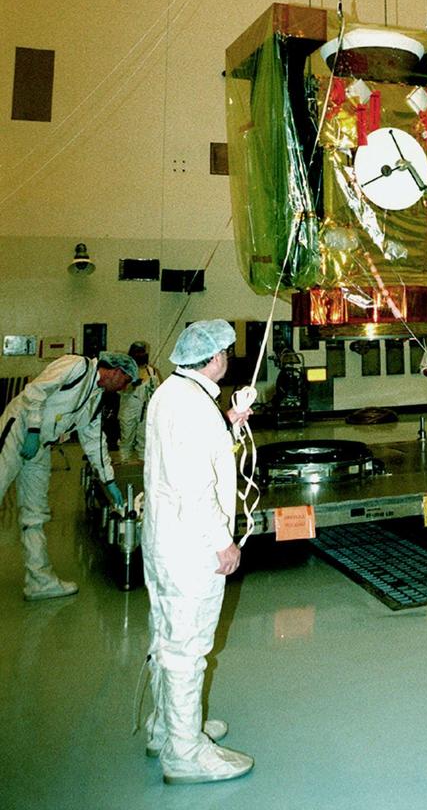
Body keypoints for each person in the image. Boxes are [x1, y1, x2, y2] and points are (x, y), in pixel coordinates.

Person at [142, 319, 254, 785]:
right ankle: (185, 753)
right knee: (187, 647)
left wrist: (229, 421)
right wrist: (222, 542)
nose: (227, 359)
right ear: (213, 360)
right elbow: (194, 485)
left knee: (167, 638)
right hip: (190, 547)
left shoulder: (173, 394)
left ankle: (166, 727)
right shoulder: (192, 408)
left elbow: (190, 452)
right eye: (225, 353)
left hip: (166, 541)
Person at [0, 352, 137, 599]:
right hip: (18, 428)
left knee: (35, 514)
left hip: (41, 444)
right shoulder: (77, 366)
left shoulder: (96, 400)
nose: (124, 388)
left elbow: (94, 441)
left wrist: (109, 480)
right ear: (116, 371)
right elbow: (35, 391)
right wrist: (32, 427)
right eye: (126, 381)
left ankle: (39, 581)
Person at [118, 340, 161, 462]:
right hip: (128, 409)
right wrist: (131, 385)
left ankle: (143, 467)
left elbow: (157, 390)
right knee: (127, 439)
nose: (140, 355)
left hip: (146, 410)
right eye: (137, 352)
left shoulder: (151, 371)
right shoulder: (124, 370)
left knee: (144, 440)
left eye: (142, 352)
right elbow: (119, 390)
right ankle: (124, 463)